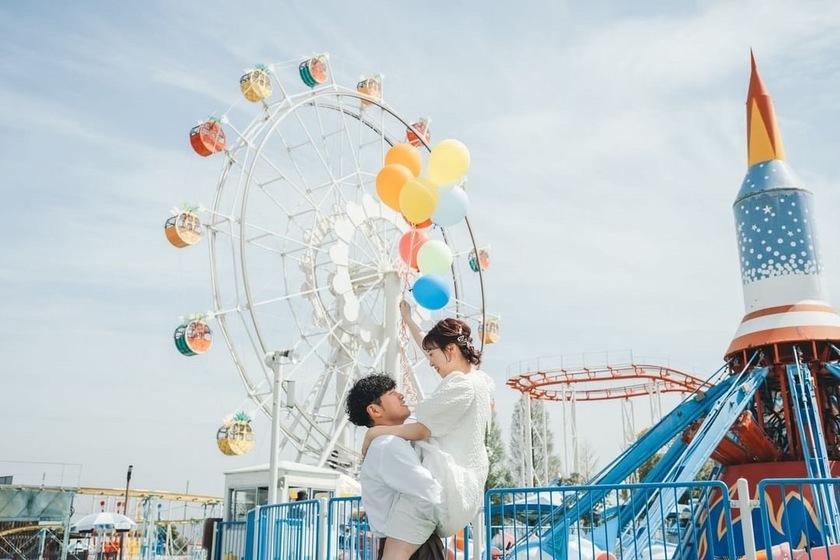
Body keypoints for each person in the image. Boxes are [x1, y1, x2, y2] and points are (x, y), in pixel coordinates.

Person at [362, 301, 495, 540]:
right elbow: (430, 345)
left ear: (451, 350)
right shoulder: (478, 379)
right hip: (468, 482)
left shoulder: (460, 385)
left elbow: (422, 431)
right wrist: (409, 319)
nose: (430, 362)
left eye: (432, 356)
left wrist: (375, 432)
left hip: (450, 483)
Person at [346, 374, 445, 560]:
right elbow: (431, 494)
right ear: (375, 410)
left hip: (402, 543)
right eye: (391, 393)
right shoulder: (388, 446)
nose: (400, 395)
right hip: (413, 545)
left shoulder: (383, 444)